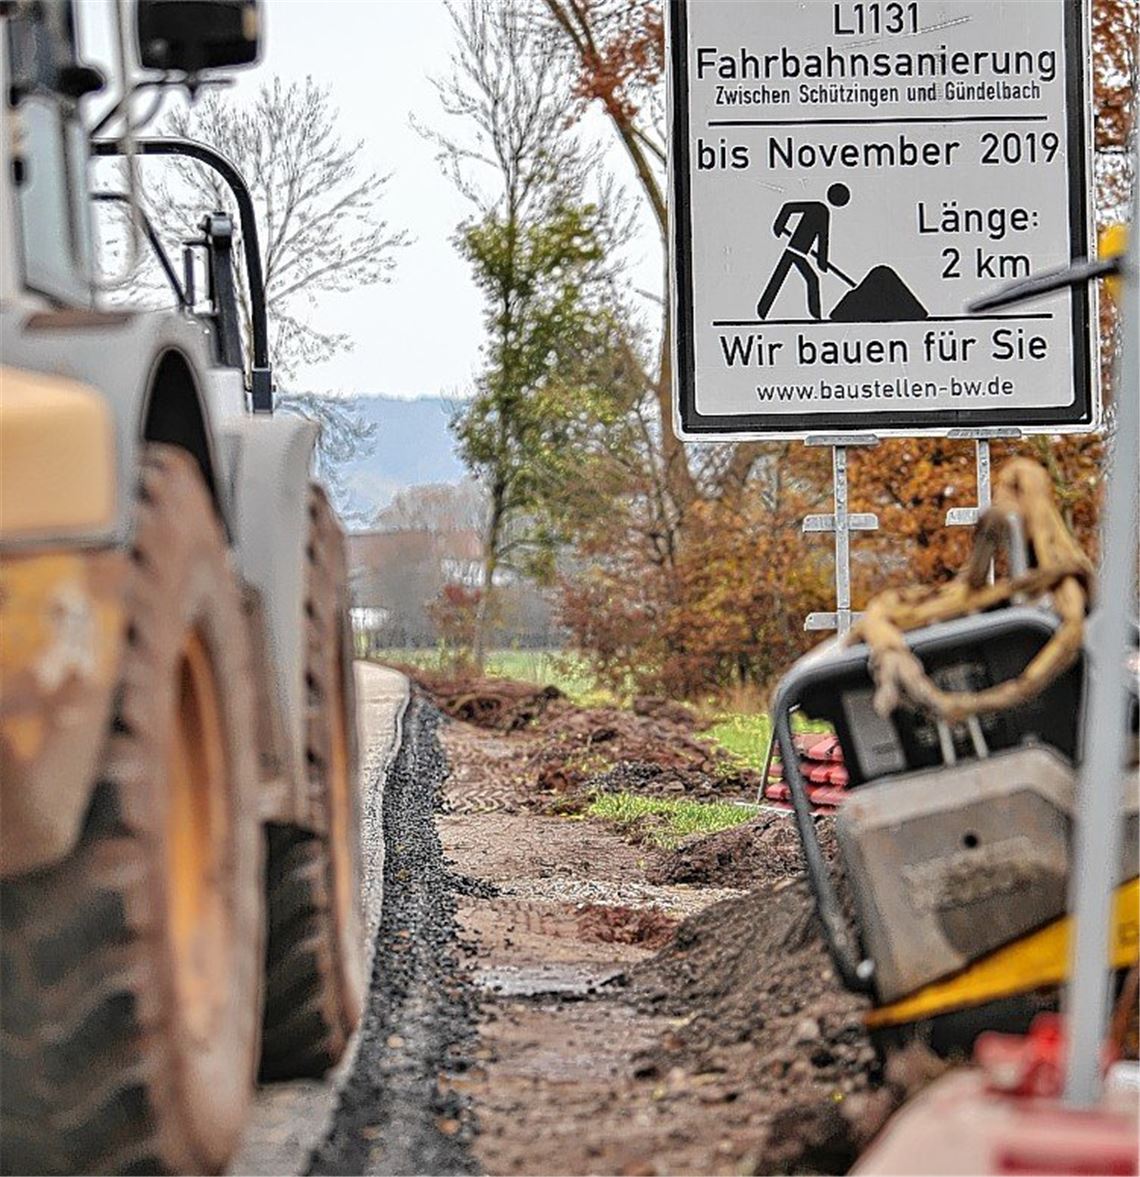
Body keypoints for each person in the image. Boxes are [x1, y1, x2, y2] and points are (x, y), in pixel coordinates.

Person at [756, 182, 850, 320]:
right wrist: (779, 225)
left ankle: (763, 310)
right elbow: (789, 207)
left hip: (799, 253)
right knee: (807, 279)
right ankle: (763, 310)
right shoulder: (819, 209)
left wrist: (821, 261)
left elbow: (822, 238)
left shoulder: (822, 211)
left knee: (787, 278)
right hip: (794, 250)